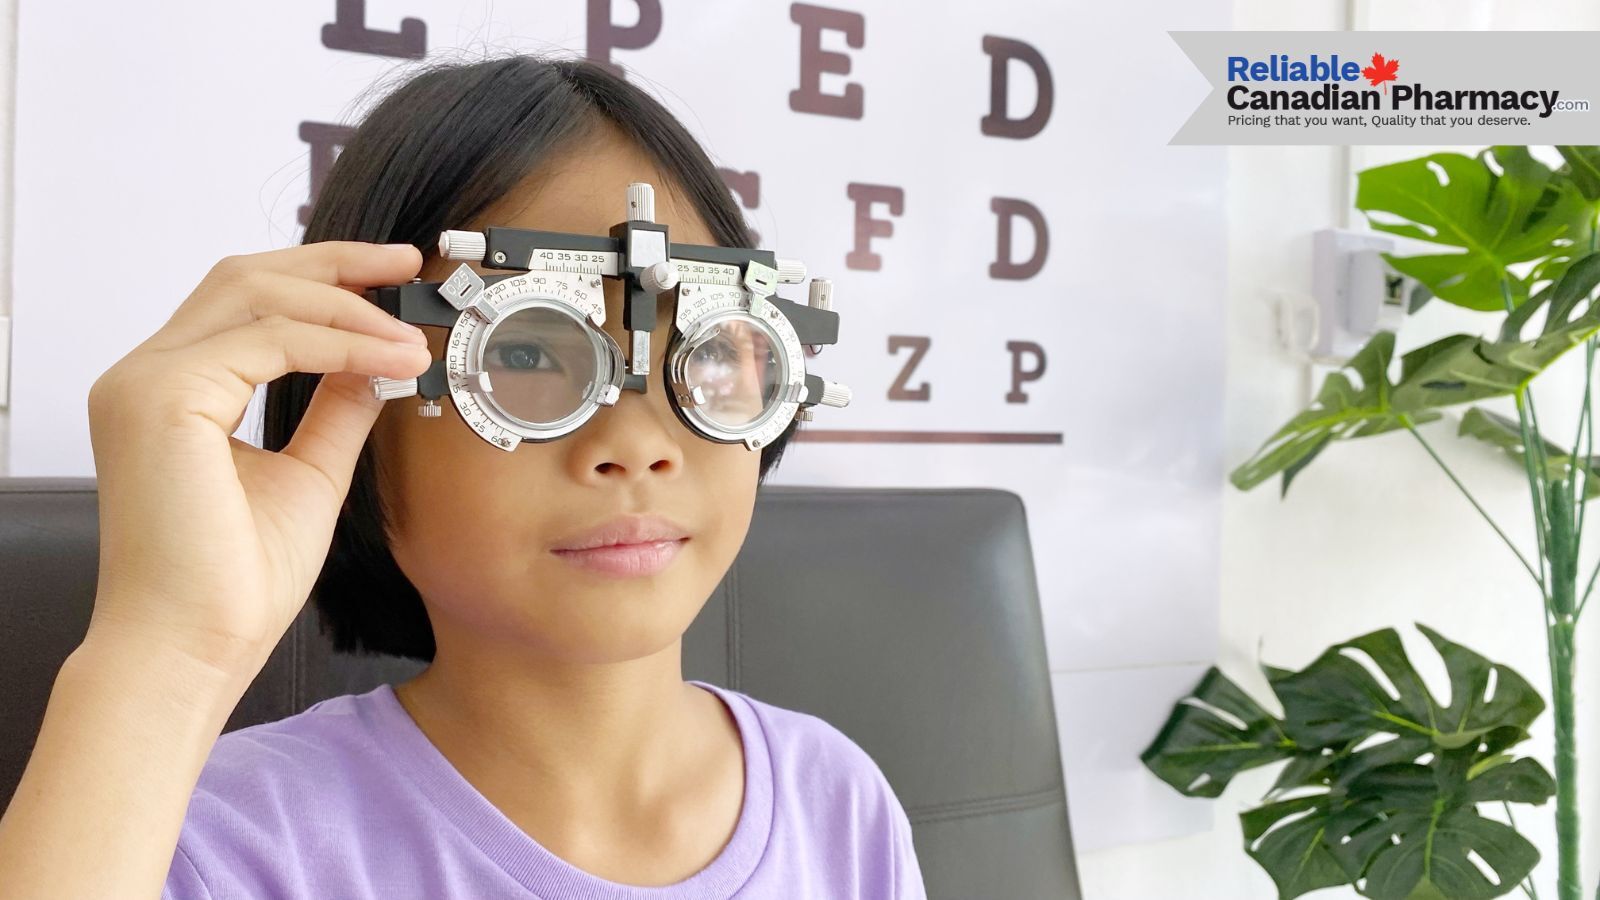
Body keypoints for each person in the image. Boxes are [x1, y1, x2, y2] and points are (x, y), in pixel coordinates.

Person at [0, 54, 927, 899]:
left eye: (706, 349)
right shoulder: (204, 844)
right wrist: (165, 654)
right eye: (525, 355)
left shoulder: (836, 798)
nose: (639, 444)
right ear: (355, 407)